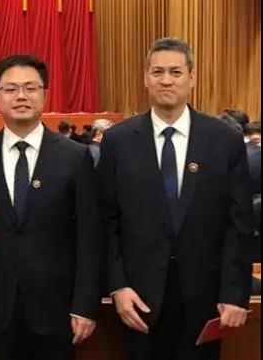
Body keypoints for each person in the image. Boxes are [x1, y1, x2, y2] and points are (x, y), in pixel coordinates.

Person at [97, 37, 253, 360]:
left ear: (192, 78)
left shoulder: (224, 141)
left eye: (175, 72)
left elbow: (238, 224)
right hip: (138, 304)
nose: (166, 80)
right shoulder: (117, 142)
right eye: (157, 72)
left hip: (206, 302)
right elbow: (106, 222)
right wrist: (117, 286)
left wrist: (234, 293)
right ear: (146, 78)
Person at [0, 54, 101, 360]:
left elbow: (89, 236)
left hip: (56, 309)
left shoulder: (74, 156)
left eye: (30, 88)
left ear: (45, 94)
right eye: (11, 89)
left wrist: (85, 305)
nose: (21, 96)